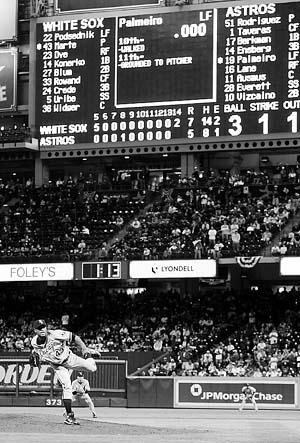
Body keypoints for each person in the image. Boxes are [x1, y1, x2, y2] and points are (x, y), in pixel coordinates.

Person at [30, 319, 100, 425]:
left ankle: (89, 354)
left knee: (92, 368)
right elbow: (37, 355)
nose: (42, 329)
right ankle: (69, 416)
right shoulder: (34, 343)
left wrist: (84, 348)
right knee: (67, 386)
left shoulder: (55, 334)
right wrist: (34, 358)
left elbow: (74, 337)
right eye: (39, 328)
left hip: (69, 358)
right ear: (35, 330)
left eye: (43, 327)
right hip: (57, 365)